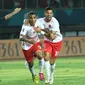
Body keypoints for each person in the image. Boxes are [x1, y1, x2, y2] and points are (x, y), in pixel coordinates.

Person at [35, 7, 63, 84]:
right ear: (45, 13)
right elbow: (31, 23)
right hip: (47, 42)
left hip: (57, 42)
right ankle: (48, 77)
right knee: (46, 56)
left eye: (50, 13)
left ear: (52, 14)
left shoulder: (55, 22)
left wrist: (41, 31)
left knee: (52, 62)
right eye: (47, 13)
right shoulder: (40, 20)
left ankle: (52, 76)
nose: (49, 14)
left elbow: (52, 37)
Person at [19, 11, 44, 84]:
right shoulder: (25, 25)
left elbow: (44, 31)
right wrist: (29, 41)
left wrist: (41, 31)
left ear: (36, 18)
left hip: (35, 43)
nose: (33, 19)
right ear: (28, 19)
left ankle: (41, 73)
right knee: (30, 64)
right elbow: (21, 38)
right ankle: (34, 75)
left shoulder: (39, 23)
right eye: (30, 18)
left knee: (40, 55)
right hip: (26, 46)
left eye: (34, 18)